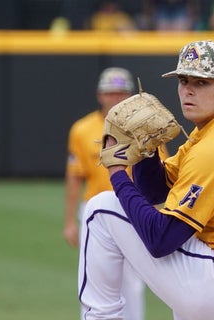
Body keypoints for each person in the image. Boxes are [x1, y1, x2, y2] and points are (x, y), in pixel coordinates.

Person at [78, 40, 214, 319]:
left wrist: (117, 171)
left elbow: (161, 240)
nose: (188, 90)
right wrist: (147, 150)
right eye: (183, 80)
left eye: (201, 82)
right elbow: (156, 191)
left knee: (101, 209)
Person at [65, 67, 158, 320]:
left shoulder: (145, 126)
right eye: (111, 93)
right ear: (99, 95)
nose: (116, 98)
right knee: (95, 279)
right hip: (94, 211)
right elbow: (75, 176)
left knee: (132, 281)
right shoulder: (82, 130)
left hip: (132, 210)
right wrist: (69, 221)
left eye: (122, 93)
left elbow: (163, 173)